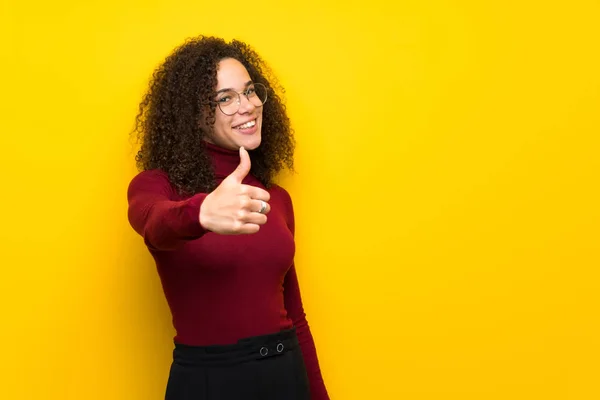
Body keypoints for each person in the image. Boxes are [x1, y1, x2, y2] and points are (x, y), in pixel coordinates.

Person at [127, 35, 329, 400]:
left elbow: (295, 316)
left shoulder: (275, 198)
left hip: (287, 374)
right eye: (225, 98)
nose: (248, 106)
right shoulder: (157, 188)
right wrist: (199, 212)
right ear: (194, 114)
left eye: (250, 91)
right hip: (210, 383)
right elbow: (153, 223)